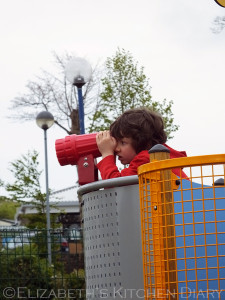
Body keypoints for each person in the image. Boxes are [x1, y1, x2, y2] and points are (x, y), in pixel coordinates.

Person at [96, 107, 187, 180]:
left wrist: (107, 153)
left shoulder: (146, 160)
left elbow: (115, 184)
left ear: (143, 142)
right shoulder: (164, 157)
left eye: (123, 142)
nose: (116, 149)